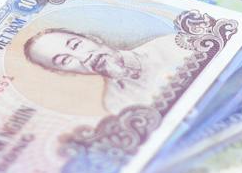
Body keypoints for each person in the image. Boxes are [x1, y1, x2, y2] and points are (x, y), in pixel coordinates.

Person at [21, 25, 180, 114]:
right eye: (65, 60)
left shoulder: (170, 45)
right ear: (65, 72)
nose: (84, 57)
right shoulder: (117, 104)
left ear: (93, 38)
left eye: (76, 45)